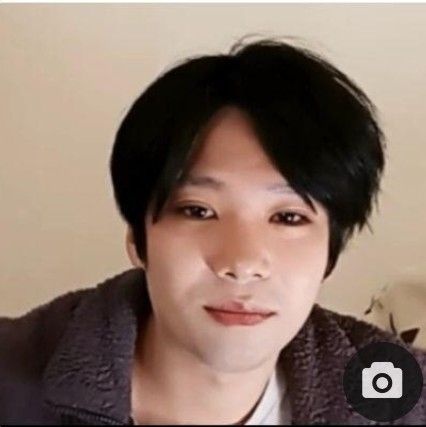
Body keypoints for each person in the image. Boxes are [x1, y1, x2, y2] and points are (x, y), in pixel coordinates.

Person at [0, 37, 425, 425]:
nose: (242, 264)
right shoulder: (14, 381)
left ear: (331, 250)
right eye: (199, 211)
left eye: (288, 218)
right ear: (137, 238)